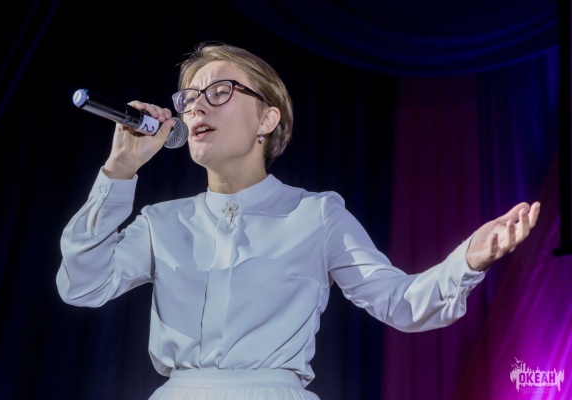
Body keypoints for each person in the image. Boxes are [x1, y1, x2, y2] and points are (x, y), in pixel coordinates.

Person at [56, 41, 541, 400]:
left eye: (219, 91)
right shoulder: (161, 222)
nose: (196, 106)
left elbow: (399, 302)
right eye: (188, 99)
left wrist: (468, 261)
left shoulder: (317, 215)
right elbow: (81, 285)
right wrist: (119, 170)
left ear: (266, 121)